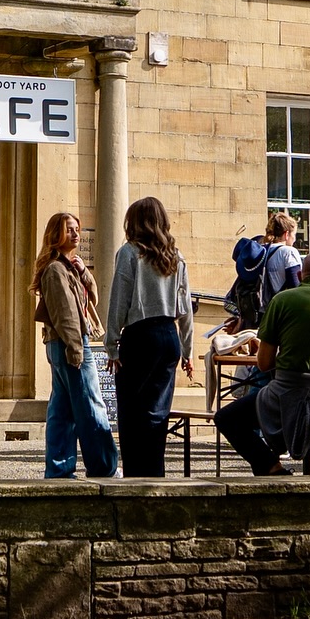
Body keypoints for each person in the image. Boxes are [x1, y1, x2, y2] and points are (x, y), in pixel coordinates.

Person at [218, 251, 310, 474]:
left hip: (288, 394)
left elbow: (264, 363)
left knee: (226, 418)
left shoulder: (282, 301)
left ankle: (271, 466)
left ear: (300, 275)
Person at [104, 195, 195, 477]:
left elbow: (119, 300)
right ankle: (155, 474)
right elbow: (185, 308)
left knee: (132, 412)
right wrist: (188, 351)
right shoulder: (176, 256)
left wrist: (111, 344)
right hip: (169, 336)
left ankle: (136, 476)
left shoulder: (130, 253)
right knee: (158, 412)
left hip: (140, 336)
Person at [34, 211, 119, 480]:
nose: (75, 234)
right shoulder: (56, 270)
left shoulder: (67, 267)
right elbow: (66, 314)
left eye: (77, 229)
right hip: (70, 343)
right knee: (91, 406)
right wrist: (75, 349)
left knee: (62, 411)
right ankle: (104, 467)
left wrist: (83, 271)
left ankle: (59, 469)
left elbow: (91, 298)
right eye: (69, 229)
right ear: (56, 234)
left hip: (62, 344)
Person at [228, 213, 303, 329]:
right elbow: (296, 289)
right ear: (286, 234)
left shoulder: (259, 251)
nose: (295, 239)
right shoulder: (288, 252)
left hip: (255, 318)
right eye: (294, 234)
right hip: (278, 318)